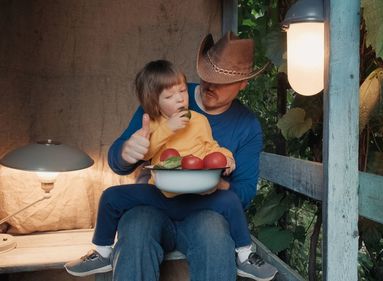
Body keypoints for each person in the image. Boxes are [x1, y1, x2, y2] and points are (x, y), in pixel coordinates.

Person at [64, 58, 277, 281]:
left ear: (243, 84)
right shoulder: (156, 105)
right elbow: (126, 156)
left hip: (203, 206)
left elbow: (233, 178)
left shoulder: (231, 124)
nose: (211, 86)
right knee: (128, 218)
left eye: (222, 81)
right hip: (155, 197)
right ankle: (102, 251)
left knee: (216, 230)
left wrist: (220, 169)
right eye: (207, 76)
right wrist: (126, 150)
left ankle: (245, 255)